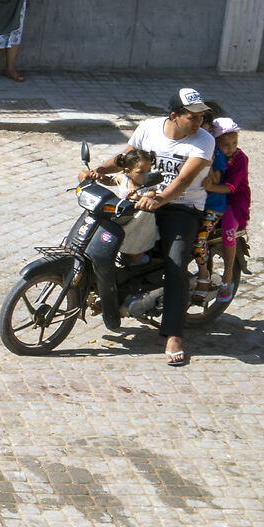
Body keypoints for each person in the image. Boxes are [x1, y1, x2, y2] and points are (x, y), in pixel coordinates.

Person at [78, 88, 215, 366]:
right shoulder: (148, 128)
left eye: (202, 116)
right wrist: (98, 172)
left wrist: (160, 199)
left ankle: (174, 334)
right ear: (174, 116)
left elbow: (184, 181)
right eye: (193, 117)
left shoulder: (204, 141)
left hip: (181, 208)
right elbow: (125, 158)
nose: (199, 121)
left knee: (175, 262)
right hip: (140, 200)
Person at [199, 117, 249, 299]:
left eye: (234, 143)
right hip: (212, 198)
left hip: (234, 202)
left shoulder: (240, 159)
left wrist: (211, 187)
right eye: (226, 144)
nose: (231, 147)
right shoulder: (213, 155)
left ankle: (228, 278)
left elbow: (231, 187)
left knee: (228, 231)